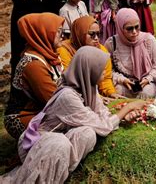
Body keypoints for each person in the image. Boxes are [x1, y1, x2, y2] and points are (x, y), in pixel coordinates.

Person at [0, 47, 146, 183]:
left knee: (88, 133)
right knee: (61, 143)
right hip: (39, 146)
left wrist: (121, 118)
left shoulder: (89, 87)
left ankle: (59, 173)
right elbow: (103, 125)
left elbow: (101, 116)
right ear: (88, 70)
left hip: (61, 138)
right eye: (101, 69)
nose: (105, 73)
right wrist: (127, 108)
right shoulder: (68, 97)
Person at [3, 13, 64, 139]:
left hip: (41, 109)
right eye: (58, 32)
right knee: (68, 125)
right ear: (44, 34)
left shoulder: (49, 55)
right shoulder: (33, 64)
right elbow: (53, 99)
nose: (62, 36)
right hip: (23, 116)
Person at [104, 8, 156, 98]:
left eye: (137, 27)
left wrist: (148, 78)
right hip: (123, 83)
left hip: (146, 82)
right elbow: (107, 70)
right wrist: (122, 79)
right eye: (129, 28)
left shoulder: (148, 40)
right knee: (118, 92)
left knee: (146, 94)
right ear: (120, 28)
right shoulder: (111, 43)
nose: (134, 32)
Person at [57, 16, 122, 99]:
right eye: (92, 34)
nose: (96, 38)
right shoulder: (64, 50)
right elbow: (69, 81)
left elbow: (105, 78)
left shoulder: (101, 50)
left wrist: (111, 93)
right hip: (72, 96)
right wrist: (96, 97)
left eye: (98, 34)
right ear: (80, 33)